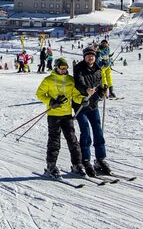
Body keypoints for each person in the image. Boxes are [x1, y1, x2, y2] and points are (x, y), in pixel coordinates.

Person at [35, 57, 88, 178]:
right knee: (54, 141)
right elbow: (39, 94)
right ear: (56, 67)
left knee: (72, 140)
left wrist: (82, 100)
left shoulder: (70, 80)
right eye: (62, 67)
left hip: (67, 114)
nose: (64, 70)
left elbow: (75, 95)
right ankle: (51, 166)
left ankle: (77, 164)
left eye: (66, 68)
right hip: (54, 115)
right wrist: (51, 101)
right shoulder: (48, 80)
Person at [73, 47, 112, 177]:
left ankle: (100, 159)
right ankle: (85, 160)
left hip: (93, 105)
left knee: (98, 131)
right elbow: (78, 83)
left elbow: (100, 85)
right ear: (84, 57)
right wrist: (86, 90)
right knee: (86, 132)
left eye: (92, 56)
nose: (90, 57)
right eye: (88, 55)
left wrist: (103, 90)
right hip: (81, 105)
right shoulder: (78, 68)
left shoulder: (98, 70)